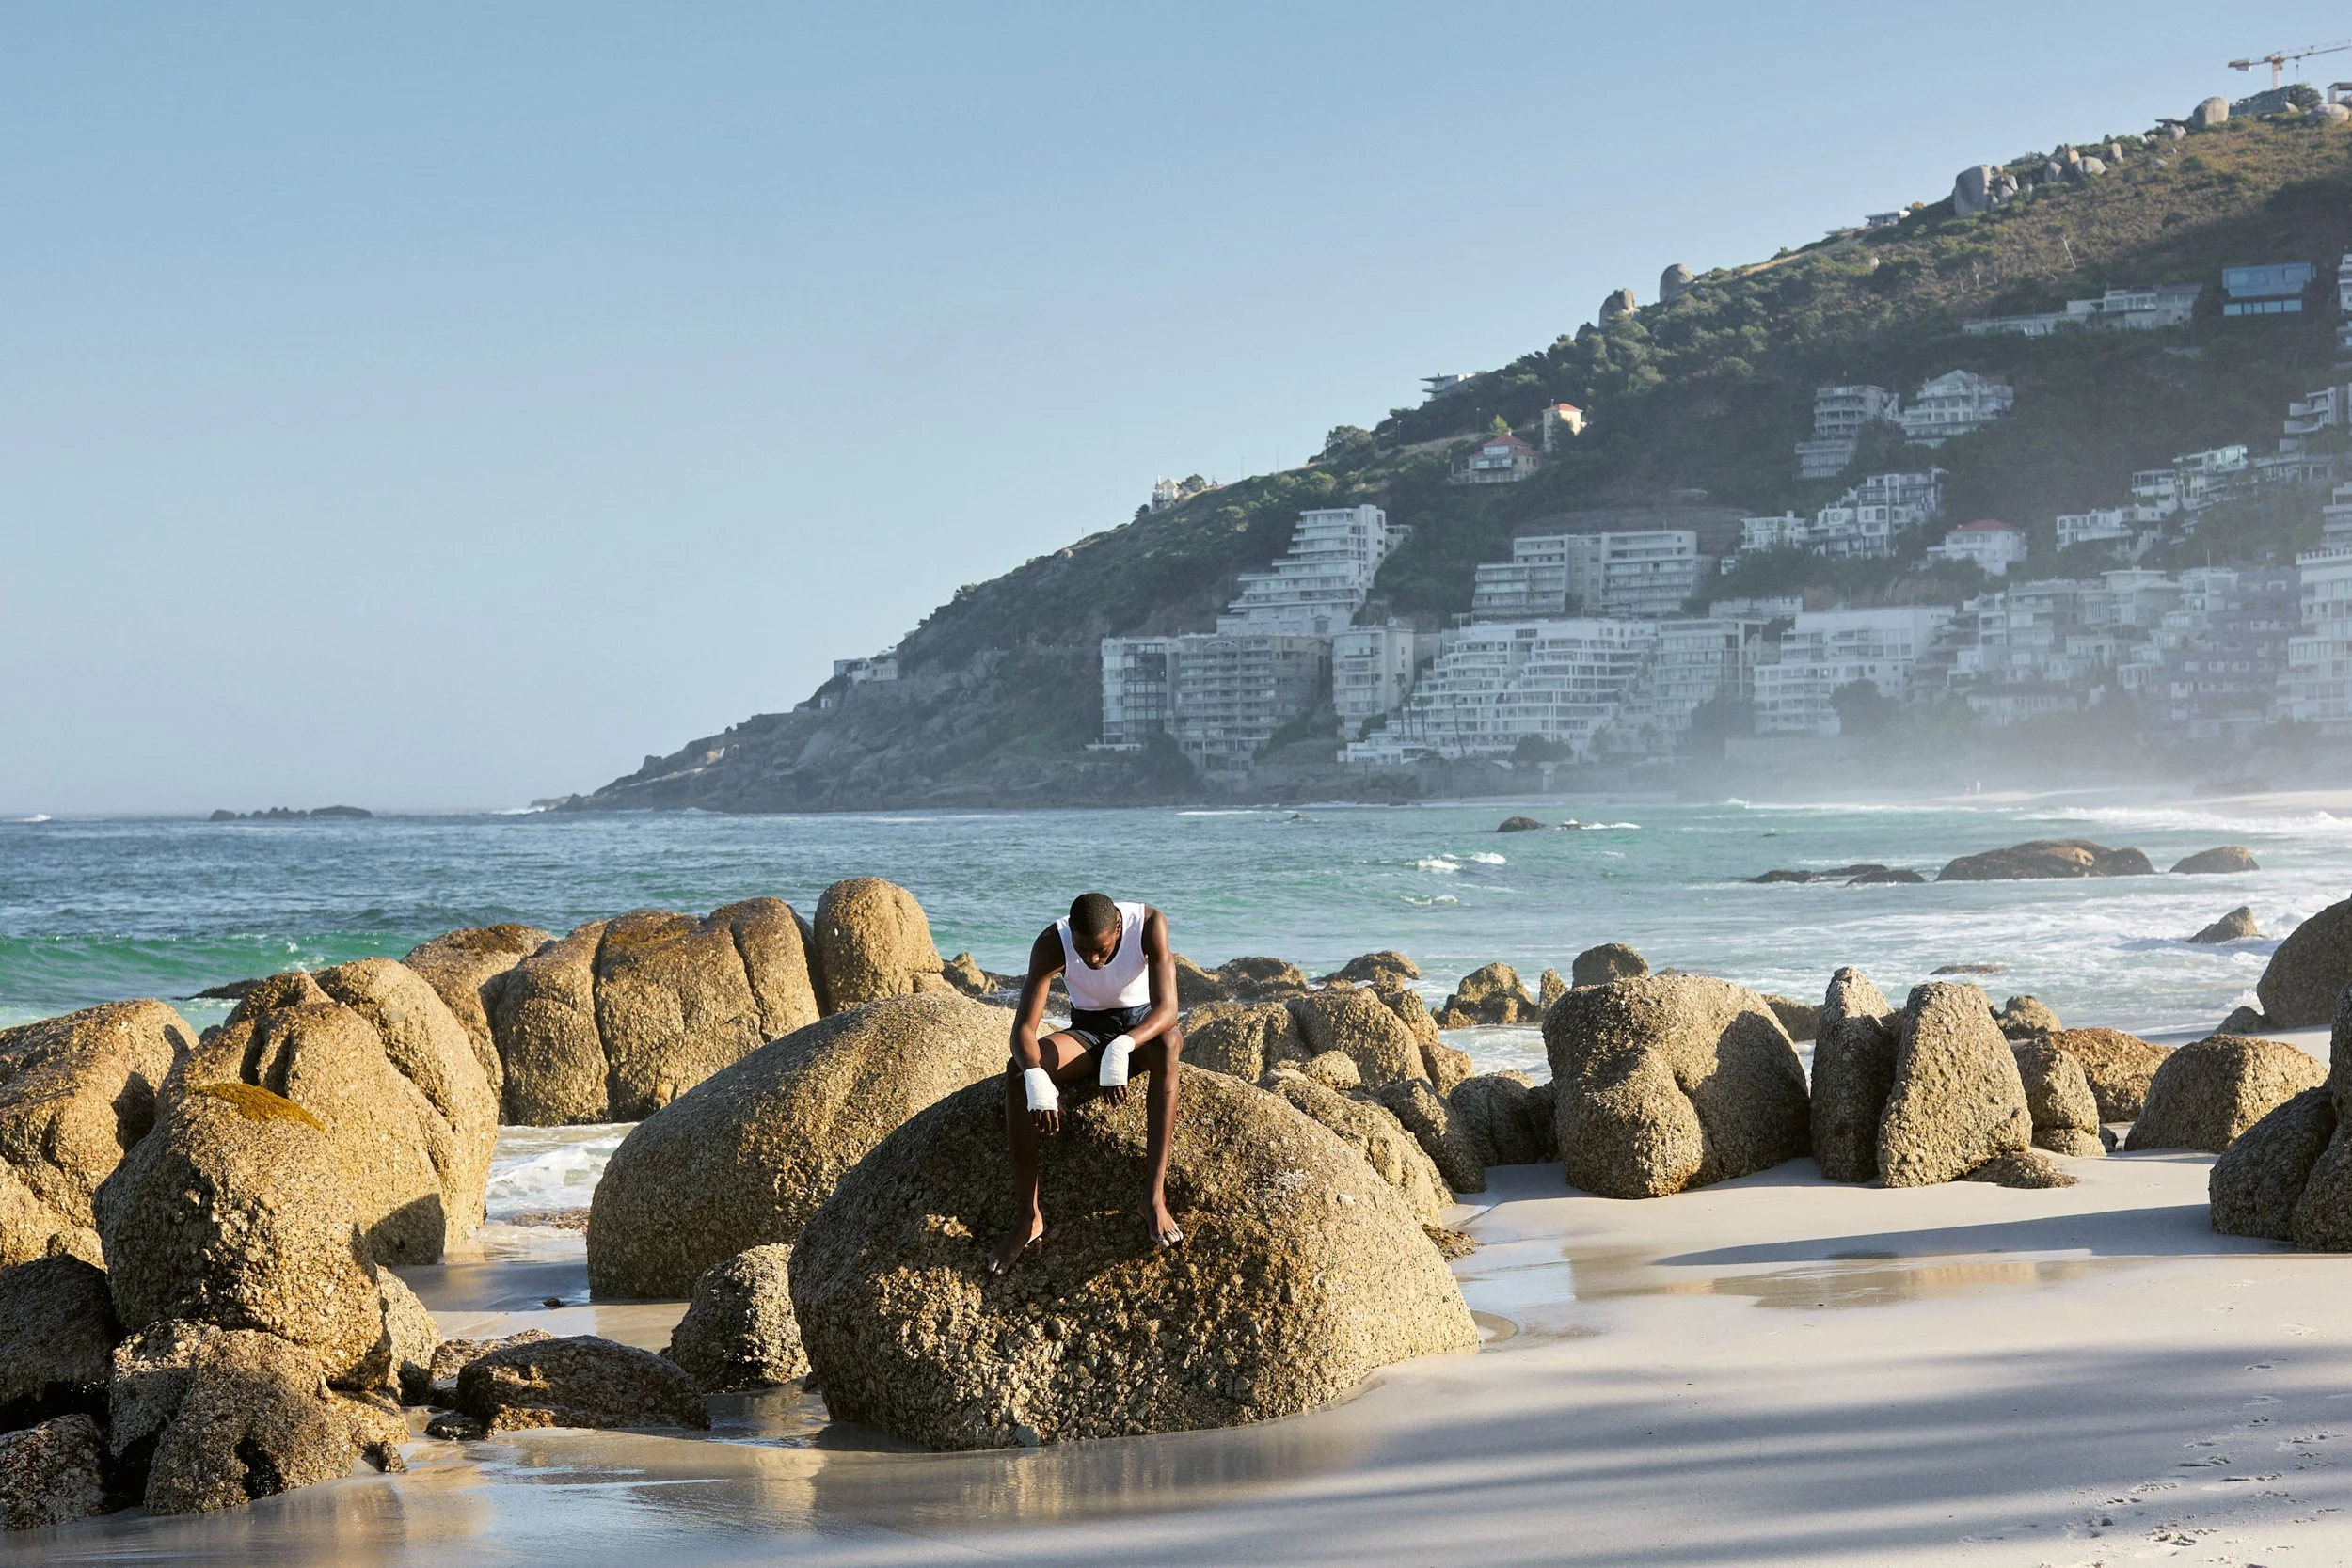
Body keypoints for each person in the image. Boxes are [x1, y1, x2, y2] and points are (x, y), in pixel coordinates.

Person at [988, 892, 1184, 1274]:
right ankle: (1029, 1216)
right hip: (1088, 1032)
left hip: (1142, 1030)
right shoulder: (1052, 943)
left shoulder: (1148, 925)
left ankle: (1154, 1196)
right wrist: (1035, 1078)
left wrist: (1124, 1046)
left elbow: (1169, 1010)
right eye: (1083, 951)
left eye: (1101, 950)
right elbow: (1023, 1031)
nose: (1092, 960)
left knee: (1169, 1045)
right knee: (1015, 1073)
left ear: (1118, 928)